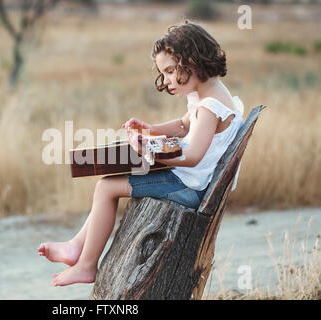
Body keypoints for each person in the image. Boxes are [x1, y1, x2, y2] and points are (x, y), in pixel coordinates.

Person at [38, 20, 245, 287]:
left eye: (171, 71)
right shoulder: (207, 94)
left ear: (192, 60)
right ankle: (76, 246)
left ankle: (87, 265)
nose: (168, 80)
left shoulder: (211, 105)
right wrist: (151, 130)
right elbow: (184, 125)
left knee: (106, 188)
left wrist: (151, 153)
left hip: (188, 187)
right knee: (114, 173)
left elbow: (192, 155)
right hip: (187, 179)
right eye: (164, 73)